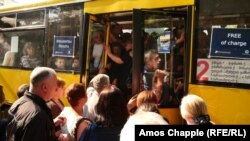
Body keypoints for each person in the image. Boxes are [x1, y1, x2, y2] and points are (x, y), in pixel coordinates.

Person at [6, 67, 68, 141]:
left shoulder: (18, 103)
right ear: (45, 87)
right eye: (55, 85)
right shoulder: (38, 115)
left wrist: (50, 125)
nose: (56, 88)